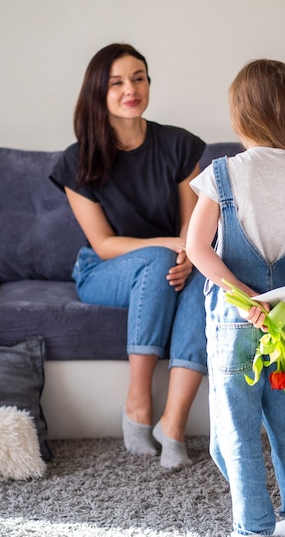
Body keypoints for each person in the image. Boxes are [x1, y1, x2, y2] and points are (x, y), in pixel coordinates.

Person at [186, 59, 285, 537]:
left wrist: (242, 294)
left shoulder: (222, 175)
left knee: (234, 429)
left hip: (236, 322)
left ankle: (251, 530)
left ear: (242, 116)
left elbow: (196, 249)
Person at [49, 43, 207, 470]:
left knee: (204, 279)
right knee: (160, 260)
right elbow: (102, 243)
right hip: (103, 271)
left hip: (173, 261)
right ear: (98, 92)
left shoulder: (179, 146)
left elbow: (190, 229)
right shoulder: (78, 159)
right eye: (117, 82)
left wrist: (192, 257)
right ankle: (139, 402)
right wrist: (170, 247)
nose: (130, 89)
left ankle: (172, 424)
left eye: (138, 77)